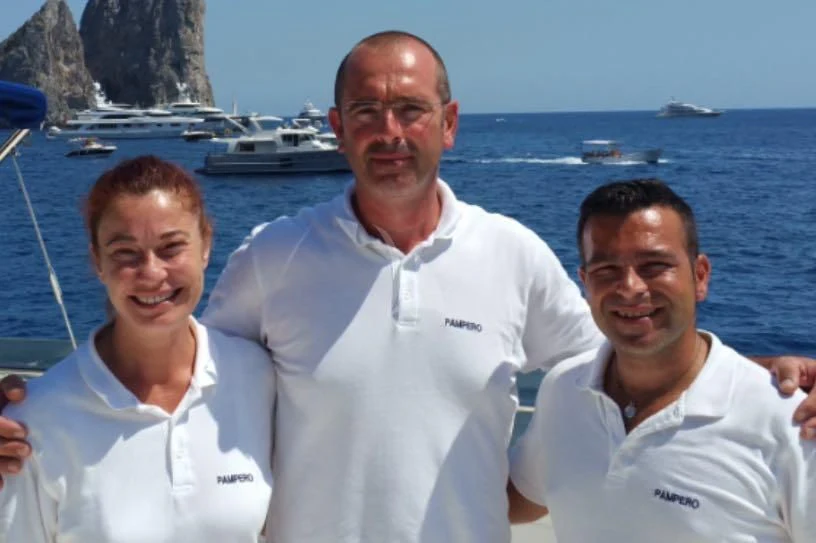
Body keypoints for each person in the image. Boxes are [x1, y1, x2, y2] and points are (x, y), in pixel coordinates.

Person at [0, 31, 815, 543]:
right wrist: (29, 408)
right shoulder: (274, 257)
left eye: (410, 110)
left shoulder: (512, 253)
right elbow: (180, 366)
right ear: (336, 128)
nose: (389, 132)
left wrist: (757, 374)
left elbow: (629, 350)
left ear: (448, 123)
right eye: (366, 111)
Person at [508, 179, 815, 541]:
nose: (630, 287)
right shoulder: (563, 391)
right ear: (585, 283)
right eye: (606, 270)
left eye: (654, 265)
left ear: (700, 276)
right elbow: (522, 497)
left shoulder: (791, 422)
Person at [0, 156, 275, 542]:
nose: (151, 273)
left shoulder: (259, 378)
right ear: (97, 261)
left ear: (206, 245)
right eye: (125, 253)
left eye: (171, 248)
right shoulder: (35, 420)